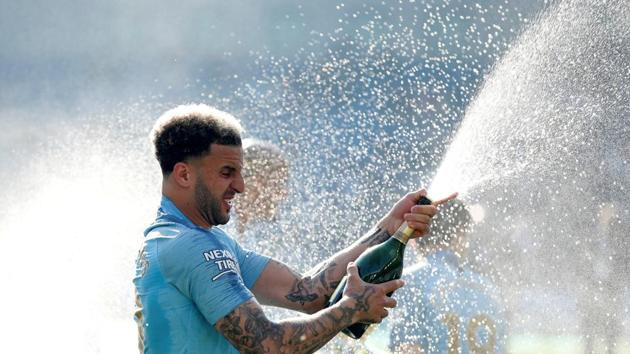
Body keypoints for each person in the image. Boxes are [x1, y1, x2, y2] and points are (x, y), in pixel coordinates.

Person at [133, 103, 456, 353]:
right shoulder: (191, 247)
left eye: (241, 172)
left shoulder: (206, 240)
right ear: (184, 175)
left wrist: (387, 228)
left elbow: (308, 293)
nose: (241, 186)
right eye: (227, 172)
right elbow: (268, 346)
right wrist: (350, 310)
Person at [386, 200, 508, 354]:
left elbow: (407, 350)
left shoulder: (409, 282)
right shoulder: (489, 287)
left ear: (415, 236)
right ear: (460, 234)